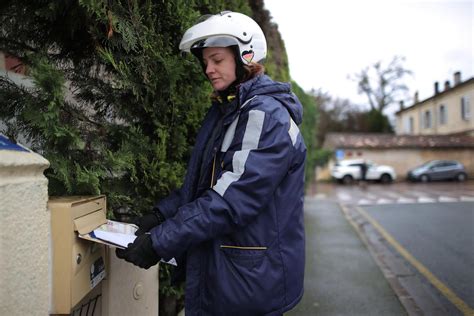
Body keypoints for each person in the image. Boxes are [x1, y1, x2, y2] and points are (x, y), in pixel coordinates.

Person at [116, 11, 306, 315]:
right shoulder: (230, 111)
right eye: (205, 62)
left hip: (248, 283)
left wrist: (158, 243)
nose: (209, 69)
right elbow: (206, 184)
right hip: (232, 274)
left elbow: (230, 201)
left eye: (217, 60)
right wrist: (156, 216)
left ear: (246, 56)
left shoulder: (264, 117)